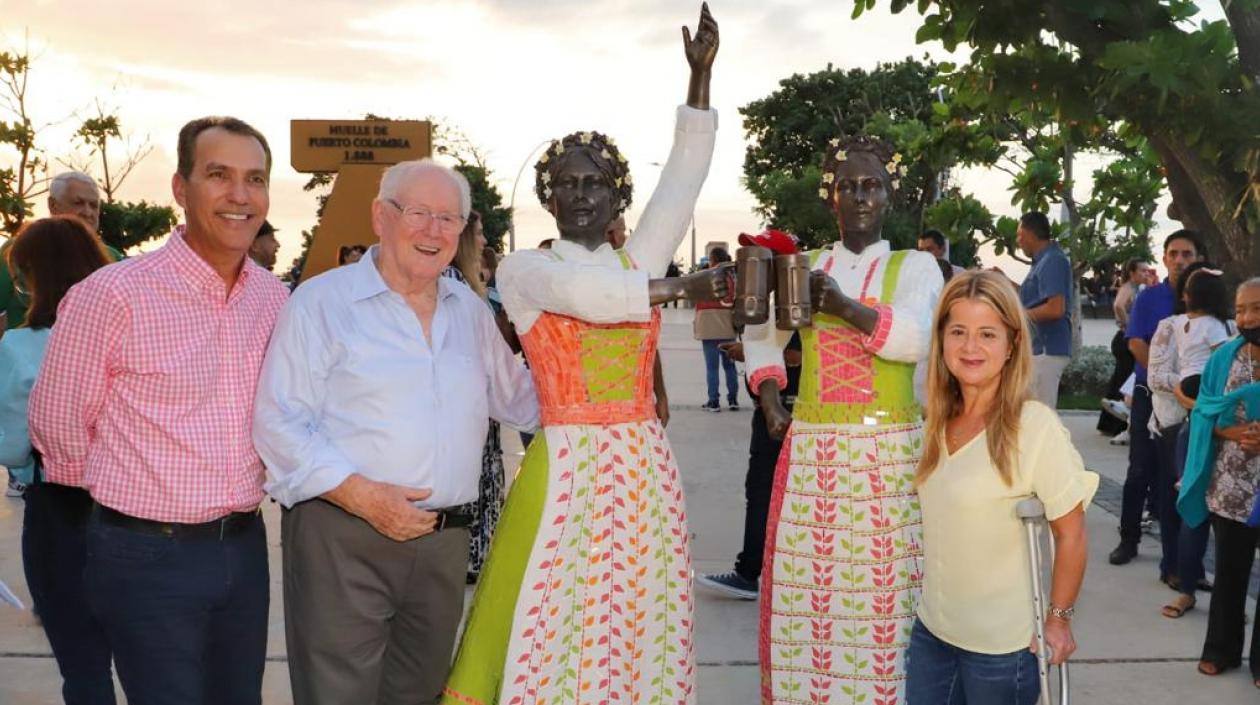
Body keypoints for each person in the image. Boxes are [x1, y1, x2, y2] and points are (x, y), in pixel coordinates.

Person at [442, 6, 721, 703]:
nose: (579, 193)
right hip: (564, 462)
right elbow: (592, 296)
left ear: (615, 193)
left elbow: (681, 186)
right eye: (565, 182)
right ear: (548, 194)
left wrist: (700, 84)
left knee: (637, 617)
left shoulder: (635, 259)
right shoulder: (526, 273)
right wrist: (682, 285)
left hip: (643, 467)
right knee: (540, 606)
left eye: (593, 182)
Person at [253, 160, 538, 705]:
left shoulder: (470, 313)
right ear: (380, 216)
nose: (434, 231)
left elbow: (522, 402)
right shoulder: (322, 303)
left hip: (442, 546)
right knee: (339, 695)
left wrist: (599, 384)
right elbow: (279, 421)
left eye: (449, 219)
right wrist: (362, 496)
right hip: (344, 536)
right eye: (419, 214)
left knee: (420, 694)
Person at [28, 116, 288, 705]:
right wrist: (124, 499)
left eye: (255, 178)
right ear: (180, 187)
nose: (239, 195)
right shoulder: (111, 294)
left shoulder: (274, 299)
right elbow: (57, 424)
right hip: (145, 553)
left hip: (244, 548)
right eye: (218, 175)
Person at [744, 135, 944, 704]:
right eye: (848, 186)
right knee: (810, 598)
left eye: (872, 185)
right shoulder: (805, 266)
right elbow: (761, 336)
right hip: (814, 459)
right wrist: (772, 400)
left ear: (890, 196)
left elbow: (916, 338)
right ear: (831, 198)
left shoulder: (915, 266)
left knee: (886, 601)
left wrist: (844, 308)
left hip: (889, 456)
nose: (860, 196)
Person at [907, 270, 1095, 704]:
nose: (971, 347)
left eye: (987, 334)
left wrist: (1059, 619)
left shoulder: (1034, 427)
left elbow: (1072, 533)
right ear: (942, 341)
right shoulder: (937, 421)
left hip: (1000, 651)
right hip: (931, 634)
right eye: (958, 332)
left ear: (1011, 345)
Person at [2, 217, 115, 705]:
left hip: (59, 512)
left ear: (34, 276)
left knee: (84, 666)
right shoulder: (127, 333)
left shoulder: (19, 345)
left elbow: (11, 446)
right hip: (138, 510)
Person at [1176, 277, 1260, 685]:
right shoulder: (1224, 356)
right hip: (1231, 486)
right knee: (1229, 571)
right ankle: (1221, 651)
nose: (1247, 318)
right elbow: (1206, 412)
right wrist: (1234, 434)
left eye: (1256, 309)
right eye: (1241, 309)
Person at [1111, 231, 1205, 565]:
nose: (1180, 260)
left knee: (1178, 479)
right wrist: (1164, 380)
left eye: (1188, 254)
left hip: (1192, 405)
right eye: (1174, 253)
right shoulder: (1151, 298)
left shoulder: (1204, 300)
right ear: (1164, 258)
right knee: (1141, 469)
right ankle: (1129, 538)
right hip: (1150, 395)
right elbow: (1136, 342)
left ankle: (1182, 560)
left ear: (1198, 258)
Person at [1148, 262, 1231, 618]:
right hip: (1202, 407)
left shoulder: (1182, 324)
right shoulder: (1219, 330)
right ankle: (1186, 583)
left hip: (1197, 409)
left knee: (1211, 514)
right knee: (1192, 506)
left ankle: (1207, 592)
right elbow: (1223, 360)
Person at [442, 210, 514, 584]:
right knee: (478, 489)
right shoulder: (453, 285)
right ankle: (471, 559)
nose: (485, 242)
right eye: (481, 233)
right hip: (471, 418)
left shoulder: (463, 285)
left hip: (476, 415)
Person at [1016, 211, 1073, 408]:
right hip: (1039, 349)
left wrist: (1017, 317)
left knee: (1042, 416)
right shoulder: (1042, 261)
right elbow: (1033, 298)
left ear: (1030, 234)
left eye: (1020, 235)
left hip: (1048, 350)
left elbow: (1055, 308)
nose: (1018, 241)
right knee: (1032, 414)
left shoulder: (1053, 261)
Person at [1099, 258, 1153, 436]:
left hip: (1127, 338)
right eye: (1142, 271)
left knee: (1120, 379)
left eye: (1147, 271)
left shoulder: (1140, 289)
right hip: (1125, 339)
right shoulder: (1128, 287)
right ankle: (1116, 424)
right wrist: (1130, 325)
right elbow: (1118, 305)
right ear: (1132, 273)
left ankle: (1110, 423)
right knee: (1123, 381)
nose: (1146, 274)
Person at [695, 246, 739, 411]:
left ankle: (713, 401)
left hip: (707, 325)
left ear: (712, 259)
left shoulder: (703, 276)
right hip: (727, 324)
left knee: (711, 367)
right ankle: (733, 400)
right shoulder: (732, 277)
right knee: (729, 365)